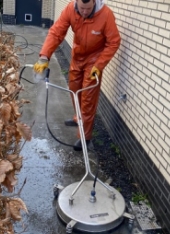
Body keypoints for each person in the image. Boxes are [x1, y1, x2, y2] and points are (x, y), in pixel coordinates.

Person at [34, 0, 121, 151]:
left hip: (94, 61)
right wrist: (44, 57)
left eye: (88, 8)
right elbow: (56, 32)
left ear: (94, 2)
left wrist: (99, 65)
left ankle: (85, 137)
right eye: (82, 8)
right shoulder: (70, 9)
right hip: (78, 56)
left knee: (87, 98)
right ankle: (78, 118)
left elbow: (114, 42)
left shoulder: (105, 15)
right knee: (74, 90)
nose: (85, 12)